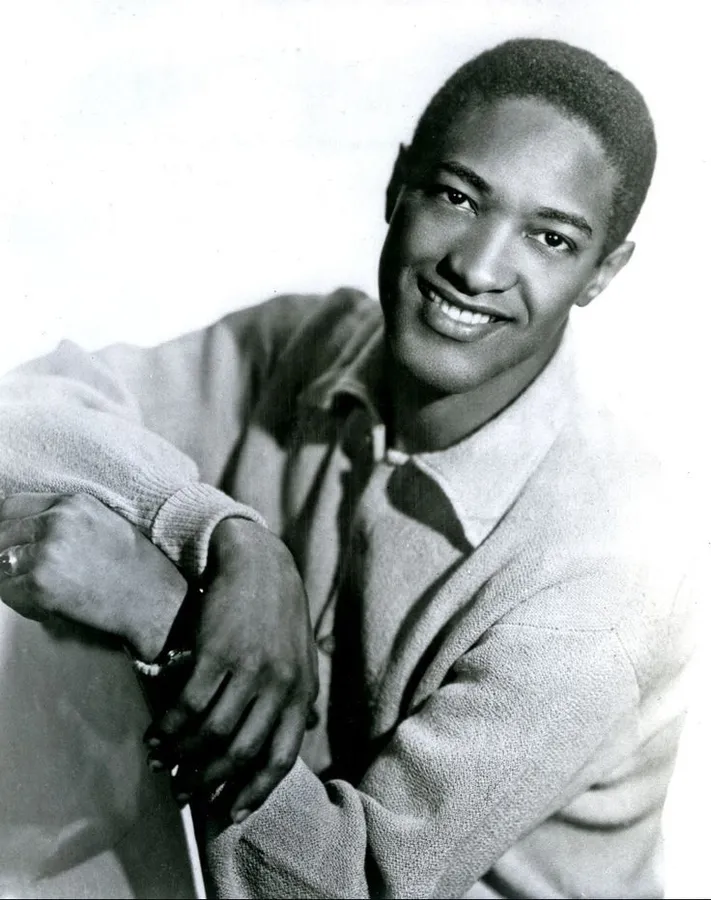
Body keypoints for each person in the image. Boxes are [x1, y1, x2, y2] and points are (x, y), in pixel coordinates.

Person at [0, 37, 702, 899]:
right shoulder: (306, 345)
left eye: (549, 238)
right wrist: (229, 540)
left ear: (601, 273)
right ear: (397, 183)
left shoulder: (610, 571)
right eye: (456, 196)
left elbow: (358, 887)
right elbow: (20, 411)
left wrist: (166, 616)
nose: (476, 268)